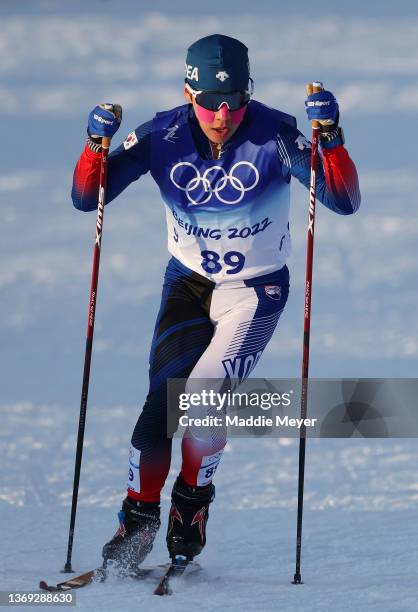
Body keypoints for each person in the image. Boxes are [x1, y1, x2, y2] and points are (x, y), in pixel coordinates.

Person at [71, 34, 360, 572]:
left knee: (200, 400)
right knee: (160, 406)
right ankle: (137, 520)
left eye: (233, 103)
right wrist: (95, 146)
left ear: (247, 94)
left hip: (255, 291)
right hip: (186, 286)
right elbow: (89, 198)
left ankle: (190, 508)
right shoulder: (163, 134)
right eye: (208, 102)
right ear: (188, 92)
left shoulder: (275, 133)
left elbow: (342, 200)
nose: (221, 116)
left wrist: (331, 138)